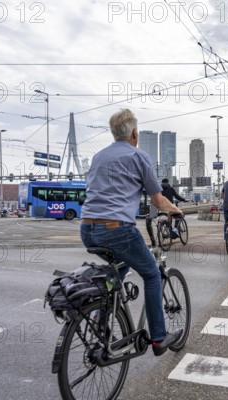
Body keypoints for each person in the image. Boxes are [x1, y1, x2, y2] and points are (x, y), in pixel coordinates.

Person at [80, 108, 183, 356]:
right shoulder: (139, 157)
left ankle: (100, 324)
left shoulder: (98, 157)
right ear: (134, 133)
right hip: (117, 229)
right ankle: (159, 338)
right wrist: (175, 210)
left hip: (87, 228)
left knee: (118, 270)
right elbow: (158, 201)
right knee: (151, 274)